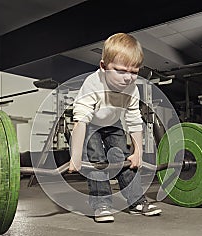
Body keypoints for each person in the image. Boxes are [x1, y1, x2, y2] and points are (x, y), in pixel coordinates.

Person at [69, 33, 162, 222]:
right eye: (120, 71)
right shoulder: (92, 84)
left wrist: (138, 153)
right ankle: (101, 204)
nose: (128, 78)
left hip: (113, 123)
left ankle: (136, 201)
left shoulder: (132, 89)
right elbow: (81, 120)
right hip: (90, 124)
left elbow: (135, 120)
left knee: (122, 157)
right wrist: (76, 156)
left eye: (134, 72)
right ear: (103, 66)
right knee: (97, 160)